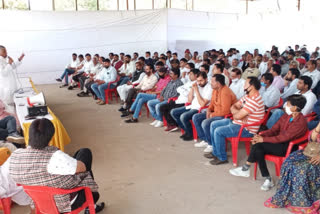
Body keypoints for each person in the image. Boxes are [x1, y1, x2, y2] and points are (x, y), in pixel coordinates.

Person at [9, 118, 105, 213]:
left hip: (39, 201)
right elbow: (82, 168)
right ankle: (92, 200)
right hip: (64, 203)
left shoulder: (16, 155)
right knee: (85, 153)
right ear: (50, 137)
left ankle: (92, 200)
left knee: (76, 160)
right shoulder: (55, 157)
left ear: (29, 135)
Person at [229, 95, 307, 191]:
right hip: (279, 142)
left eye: (288, 104)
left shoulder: (300, 122)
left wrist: (263, 139)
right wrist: (261, 135)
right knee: (258, 147)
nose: (285, 105)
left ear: (294, 108)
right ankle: (264, 177)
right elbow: (274, 129)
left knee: (259, 145)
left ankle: (248, 169)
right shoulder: (287, 116)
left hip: (288, 147)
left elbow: (284, 138)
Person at [204, 77, 265, 164]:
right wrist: (239, 113)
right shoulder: (248, 96)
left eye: (245, 84)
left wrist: (238, 114)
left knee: (218, 131)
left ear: (251, 86)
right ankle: (216, 152)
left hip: (246, 129)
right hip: (238, 123)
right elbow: (233, 107)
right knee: (213, 124)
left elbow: (237, 115)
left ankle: (222, 158)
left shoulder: (254, 100)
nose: (244, 85)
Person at [264, 120, 320, 213]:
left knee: (302, 168)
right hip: (312, 152)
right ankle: (290, 196)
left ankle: (302, 201)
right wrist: (318, 128)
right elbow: (312, 139)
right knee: (289, 162)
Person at [193, 74, 237, 148]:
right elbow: (212, 103)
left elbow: (225, 111)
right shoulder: (215, 90)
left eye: (213, 81)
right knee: (196, 117)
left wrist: (211, 115)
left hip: (224, 116)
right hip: (215, 113)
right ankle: (206, 140)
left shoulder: (225, 92)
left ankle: (211, 144)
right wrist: (209, 110)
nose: (211, 83)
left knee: (205, 122)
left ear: (218, 83)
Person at [171, 71, 213, 141]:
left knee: (183, 116)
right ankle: (188, 131)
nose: (199, 83)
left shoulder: (209, 88)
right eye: (198, 81)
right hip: (192, 106)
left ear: (206, 79)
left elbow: (202, 104)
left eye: (201, 80)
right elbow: (189, 100)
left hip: (200, 109)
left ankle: (191, 134)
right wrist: (192, 89)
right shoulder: (197, 85)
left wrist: (196, 90)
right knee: (173, 112)